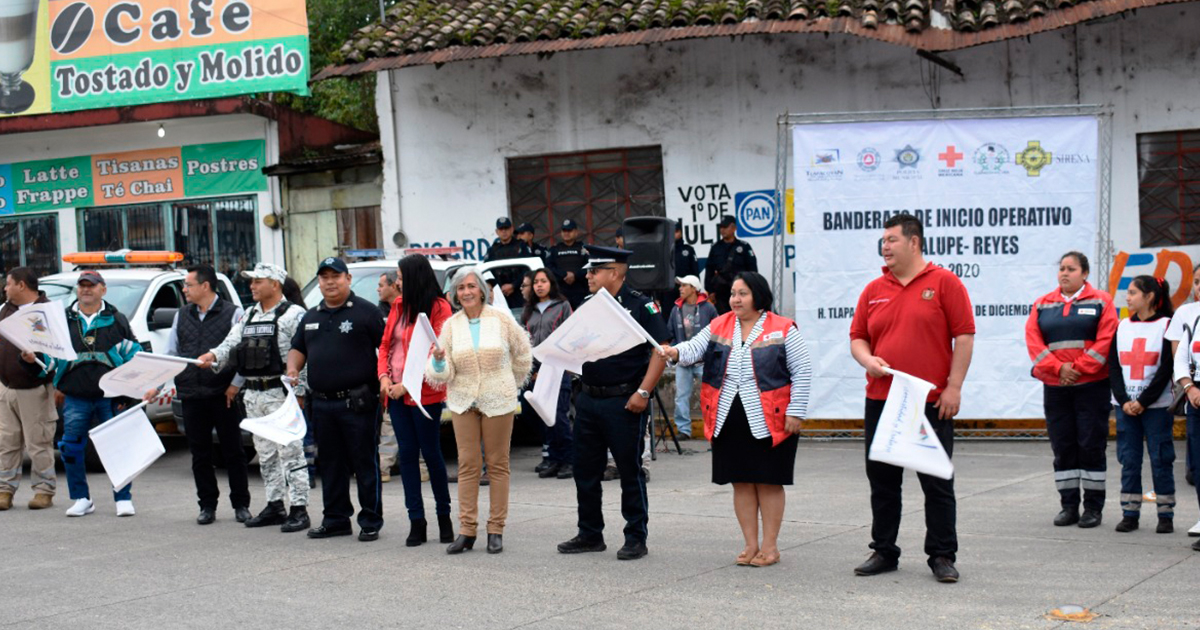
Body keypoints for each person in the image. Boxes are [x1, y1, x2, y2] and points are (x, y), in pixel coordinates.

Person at [848, 214, 974, 583]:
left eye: (892, 240)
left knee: (936, 481)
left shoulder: (944, 283)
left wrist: (953, 387)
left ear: (914, 242)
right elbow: (858, 337)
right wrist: (867, 359)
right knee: (883, 481)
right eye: (883, 241)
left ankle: (941, 554)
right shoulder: (874, 289)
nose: (885, 247)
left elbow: (964, 337)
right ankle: (884, 550)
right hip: (882, 399)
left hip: (930, 401)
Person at [662, 272, 811, 567]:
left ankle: (770, 547)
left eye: (742, 293)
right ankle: (750, 544)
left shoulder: (782, 328)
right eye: (732, 293)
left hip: (771, 417)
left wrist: (797, 410)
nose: (735, 299)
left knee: (769, 482)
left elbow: (802, 370)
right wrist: (675, 351)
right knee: (740, 482)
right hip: (727, 414)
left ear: (758, 295)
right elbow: (695, 348)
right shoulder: (719, 323)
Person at [557, 245, 669, 561]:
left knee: (629, 470)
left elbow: (661, 351)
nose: (588, 276)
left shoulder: (641, 306)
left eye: (595, 270)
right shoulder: (589, 305)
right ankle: (590, 533)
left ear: (616, 272)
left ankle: (635, 536)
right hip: (589, 398)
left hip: (624, 400)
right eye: (589, 271)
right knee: (586, 470)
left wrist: (643, 393)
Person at [197, 263, 311, 533]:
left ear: (275, 284)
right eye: (251, 281)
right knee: (266, 454)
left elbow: (306, 354)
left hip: (281, 394)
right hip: (253, 395)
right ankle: (274, 505)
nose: (252, 286)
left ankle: (299, 508)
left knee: (291, 453)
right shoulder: (248, 315)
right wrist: (212, 356)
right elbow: (229, 344)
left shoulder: (294, 314)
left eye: (258, 281)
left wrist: (301, 392)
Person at [427, 266, 532, 555]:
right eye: (461, 288)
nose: (467, 292)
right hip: (462, 401)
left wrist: (511, 383)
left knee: (498, 465)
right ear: (455, 294)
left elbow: (523, 354)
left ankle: (495, 529)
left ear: (482, 290)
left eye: (472, 286)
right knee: (467, 465)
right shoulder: (451, 325)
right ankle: (466, 530)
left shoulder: (500, 319)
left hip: (498, 400)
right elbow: (441, 372)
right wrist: (437, 361)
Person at [287, 257, 386, 542]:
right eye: (324, 277)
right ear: (319, 282)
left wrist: (384, 382)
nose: (330, 282)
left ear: (348, 279)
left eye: (336, 276)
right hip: (322, 403)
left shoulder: (366, 313)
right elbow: (297, 349)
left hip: (357, 402)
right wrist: (293, 368)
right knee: (330, 463)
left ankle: (370, 520)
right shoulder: (311, 317)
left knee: (364, 462)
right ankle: (336, 519)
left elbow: (387, 352)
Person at [35, 270, 142, 517]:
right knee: (70, 448)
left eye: (91, 286)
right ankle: (82, 498)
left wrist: (130, 394)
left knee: (117, 448)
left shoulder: (118, 320)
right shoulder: (62, 320)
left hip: (111, 398)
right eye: (82, 285)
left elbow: (132, 356)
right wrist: (33, 361)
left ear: (102, 289)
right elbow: (50, 359)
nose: (86, 290)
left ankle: (123, 498)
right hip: (75, 398)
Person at [1025, 251, 1118, 529]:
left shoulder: (1102, 301)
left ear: (1085, 273)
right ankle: (1068, 506)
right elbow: (1034, 342)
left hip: (1092, 387)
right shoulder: (1042, 304)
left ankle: (1093, 508)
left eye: (1071, 269)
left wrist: (1078, 368)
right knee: (1062, 445)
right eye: (1061, 268)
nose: (1064, 273)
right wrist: (1058, 369)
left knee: (1090, 444)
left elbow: (1106, 340)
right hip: (1056, 387)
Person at [377, 255, 455, 547]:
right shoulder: (398, 306)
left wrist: (405, 387)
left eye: (400, 276)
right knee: (407, 454)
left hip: (425, 395)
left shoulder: (439, 307)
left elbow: (436, 352)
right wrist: (385, 379)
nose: (397, 281)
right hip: (395, 393)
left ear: (413, 276)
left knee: (431, 453)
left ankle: (444, 517)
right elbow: (386, 345)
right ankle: (416, 521)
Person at [167, 264, 250, 525]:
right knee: (199, 453)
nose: (184, 290)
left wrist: (235, 384)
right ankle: (207, 505)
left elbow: (243, 352)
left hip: (223, 393)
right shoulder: (182, 315)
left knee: (233, 451)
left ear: (205, 286)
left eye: (188, 285)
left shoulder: (233, 313)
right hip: (191, 394)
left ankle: (241, 504)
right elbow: (171, 352)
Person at [1109, 276, 1176, 534]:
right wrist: (1125, 401)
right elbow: (1114, 366)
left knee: (1161, 458)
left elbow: (1166, 369)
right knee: (1129, 459)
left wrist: (1143, 401)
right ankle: (1129, 513)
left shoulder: (1166, 325)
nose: (1127, 297)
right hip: (1125, 407)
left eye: (1133, 292)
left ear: (1149, 297)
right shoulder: (1122, 325)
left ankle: (1165, 514)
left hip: (1156, 407)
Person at [0, 268, 57, 511]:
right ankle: (5, 490)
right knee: (6, 441)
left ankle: (44, 490)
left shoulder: (47, 313)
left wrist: (38, 362)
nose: (5, 288)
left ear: (21, 285)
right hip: (5, 388)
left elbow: (58, 355)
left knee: (39, 442)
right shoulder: (4, 310)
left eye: (8, 283)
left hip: (35, 389)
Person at [522, 268, 574, 479]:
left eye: (543, 281)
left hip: (558, 370)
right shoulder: (529, 310)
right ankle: (552, 459)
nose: (539, 285)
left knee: (560, 416)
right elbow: (526, 342)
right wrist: (532, 369)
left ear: (551, 283)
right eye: (536, 282)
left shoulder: (562, 306)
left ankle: (569, 459)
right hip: (537, 373)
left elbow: (570, 336)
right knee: (545, 417)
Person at [1166, 262, 1200, 544]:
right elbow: (1179, 356)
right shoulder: (1186, 313)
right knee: (1198, 466)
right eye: (1197, 282)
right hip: (1195, 396)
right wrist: (1188, 387)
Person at [666, 274, 718, 439]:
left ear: (694, 288)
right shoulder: (676, 309)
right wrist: (674, 351)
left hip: (704, 361)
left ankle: (714, 430)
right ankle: (684, 430)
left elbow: (717, 333)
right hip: (683, 360)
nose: (680, 288)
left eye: (684, 285)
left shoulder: (708, 308)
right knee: (681, 396)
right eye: (679, 285)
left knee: (711, 395)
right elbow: (671, 333)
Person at [704, 216, 758, 315]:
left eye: (725, 227)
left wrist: (752, 288)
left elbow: (752, 269)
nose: (722, 230)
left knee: (742, 317)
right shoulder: (715, 248)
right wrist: (710, 291)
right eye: (721, 227)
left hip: (741, 291)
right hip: (721, 293)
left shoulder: (744, 247)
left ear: (734, 228)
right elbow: (709, 269)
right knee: (725, 320)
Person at [376, 270, 401, 483]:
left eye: (382, 285)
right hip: (386, 374)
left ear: (394, 286)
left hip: (405, 375)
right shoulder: (379, 312)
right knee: (389, 422)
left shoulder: (406, 309)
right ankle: (383, 467)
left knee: (398, 422)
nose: (378, 289)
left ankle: (384, 467)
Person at [484, 217, 532, 309]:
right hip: (499, 294)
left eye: (506, 228)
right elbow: (487, 273)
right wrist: (499, 288)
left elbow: (527, 270)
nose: (504, 231)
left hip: (520, 291)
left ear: (512, 229)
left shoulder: (521, 246)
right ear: (497, 231)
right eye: (501, 229)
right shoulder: (492, 250)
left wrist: (513, 285)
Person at [662, 221, 700, 322]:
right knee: (669, 319)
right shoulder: (664, 251)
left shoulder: (688, 250)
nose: (674, 234)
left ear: (680, 232)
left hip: (686, 291)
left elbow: (695, 272)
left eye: (676, 231)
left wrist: (696, 291)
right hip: (668, 292)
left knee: (688, 319)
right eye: (671, 232)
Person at [548, 219, 589, 309]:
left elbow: (590, 266)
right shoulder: (555, 249)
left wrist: (575, 275)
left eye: (569, 231)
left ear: (576, 232)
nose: (566, 233)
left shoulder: (584, 249)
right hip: (561, 293)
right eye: (564, 231)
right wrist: (564, 275)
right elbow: (549, 267)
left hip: (580, 291)